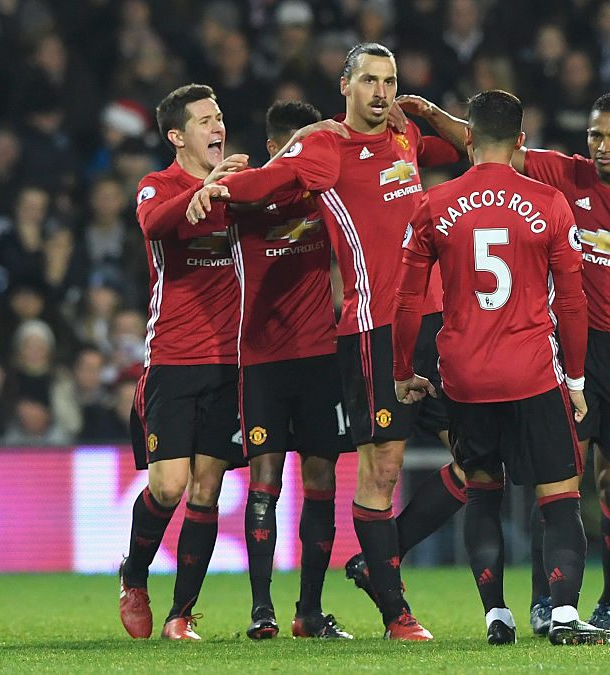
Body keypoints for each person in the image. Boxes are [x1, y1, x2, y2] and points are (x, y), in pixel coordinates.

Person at [395, 91, 610, 634]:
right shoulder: (566, 175)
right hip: (566, 350)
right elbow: (491, 141)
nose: (602, 148)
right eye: (596, 135)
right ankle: (547, 605)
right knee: (559, 479)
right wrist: (431, 115)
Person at [186, 43, 461, 640]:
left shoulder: (405, 136)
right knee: (381, 471)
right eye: (369, 80)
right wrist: (217, 188)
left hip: (438, 319)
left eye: (389, 81)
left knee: (479, 458)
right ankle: (397, 614)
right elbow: (269, 181)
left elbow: (478, 147)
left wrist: (432, 115)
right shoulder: (325, 147)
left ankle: (385, 567)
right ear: (345, 85)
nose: (381, 91)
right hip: (373, 329)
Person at [391, 89, 610, 646]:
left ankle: (496, 615)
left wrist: (404, 369)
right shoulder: (548, 203)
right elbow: (572, 303)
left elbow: (406, 301)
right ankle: (565, 615)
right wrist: (574, 380)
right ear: (521, 140)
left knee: (482, 491)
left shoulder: (434, 204)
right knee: (559, 496)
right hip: (532, 372)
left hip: (465, 375)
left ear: (468, 139)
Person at [118, 83, 246, 642]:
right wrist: (201, 192)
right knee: (167, 487)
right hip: (172, 359)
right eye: (204, 121)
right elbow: (153, 226)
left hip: (231, 362)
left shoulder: (240, 187)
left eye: (219, 117)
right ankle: (134, 575)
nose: (217, 127)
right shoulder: (156, 187)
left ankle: (181, 615)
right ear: (177, 136)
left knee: (206, 490)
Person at [228, 100, 352, 640]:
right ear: (277, 150)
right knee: (264, 482)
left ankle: (309, 611)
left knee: (322, 480)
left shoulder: (323, 197)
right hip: (262, 362)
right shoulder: (243, 198)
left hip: (322, 358)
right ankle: (262, 610)